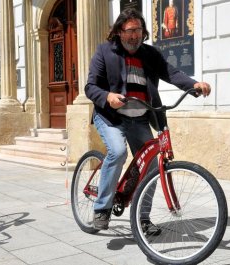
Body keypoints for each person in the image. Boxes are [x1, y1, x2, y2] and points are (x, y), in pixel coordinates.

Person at [85, 8, 211, 234]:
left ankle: (142, 218)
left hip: (140, 118)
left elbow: (172, 73)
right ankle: (101, 208)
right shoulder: (105, 51)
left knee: (152, 166)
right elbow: (90, 87)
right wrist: (107, 96)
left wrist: (193, 85)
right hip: (111, 117)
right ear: (119, 32)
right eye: (130, 30)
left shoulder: (150, 54)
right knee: (117, 151)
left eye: (139, 30)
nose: (135, 36)